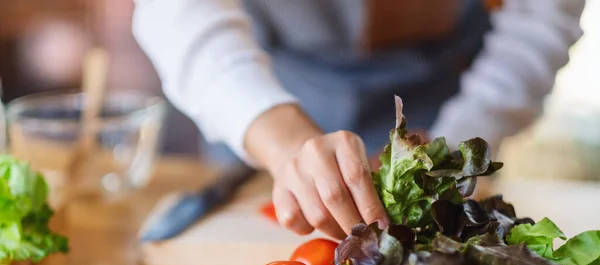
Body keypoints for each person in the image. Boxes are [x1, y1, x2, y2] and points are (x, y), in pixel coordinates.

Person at [132, 0, 585, 239]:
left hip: (444, 82)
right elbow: (177, 8)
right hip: (263, 84)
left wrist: (460, 137)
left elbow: (539, 18)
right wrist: (279, 137)